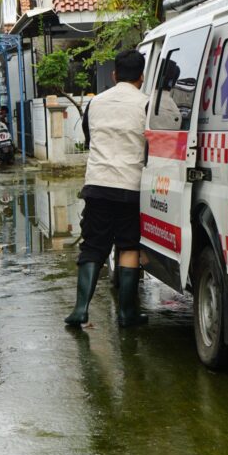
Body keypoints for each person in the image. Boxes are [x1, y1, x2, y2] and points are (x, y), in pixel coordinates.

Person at [65, 49, 149, 328]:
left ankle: (80, 310)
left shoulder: (95, 103)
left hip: (98, 185)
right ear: (142, 76)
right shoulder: (146, 104)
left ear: (114, 75)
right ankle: (127, 313)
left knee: (92, 246)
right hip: (131, 186)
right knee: (128, 246)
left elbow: (90, 140)